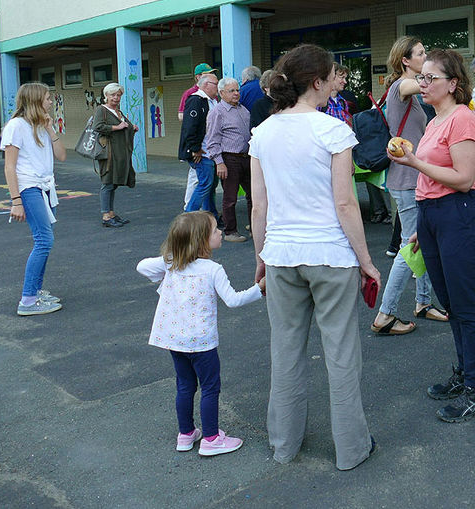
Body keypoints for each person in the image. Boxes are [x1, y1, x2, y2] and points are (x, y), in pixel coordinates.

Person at [249, 43, 380, 470]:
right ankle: (351, 450)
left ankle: (284, 445)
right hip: (330, 255)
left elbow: (259, 206)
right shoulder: (333, 131)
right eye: (331, 77)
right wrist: (366, 260)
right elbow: (345, 205)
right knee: (342, 355)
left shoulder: (263, 133)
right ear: (318, 82)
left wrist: (261, 257)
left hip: (282, 255)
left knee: (285, 353)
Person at [388, 49, 475, 421]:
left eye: (431, 79)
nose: (423, 84)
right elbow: (432, 180)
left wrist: (415, 162)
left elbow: (464, 179)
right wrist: (421, 230)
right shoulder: (435, 120)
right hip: (433, 217)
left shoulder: (463, 118)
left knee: (467, 304)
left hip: (458, 215)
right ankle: (466, 374)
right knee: (450, 303)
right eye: (423, 78)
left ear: (453, 84)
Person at [137, 211, 262, 456]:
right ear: (201, 240)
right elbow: (233, 301)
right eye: (215, 230)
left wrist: (168, 259)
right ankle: (212, 438)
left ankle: (185, 434)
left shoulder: (173, 263)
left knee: (184, 385)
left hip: (175, 340)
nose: (220, 233)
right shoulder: (212, 269)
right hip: (202, 343)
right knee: (210, 387)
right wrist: (260, 289)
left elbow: (142, 266)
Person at [371, 36, 446, 335]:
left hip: (414, 176)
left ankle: (423, 303)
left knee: (421, 240)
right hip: (405, 179)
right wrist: (440, 74)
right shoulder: (401, 87)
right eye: (421, 53)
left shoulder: (411, 94)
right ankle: (385, 313)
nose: (424, 57)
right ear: (405, 60)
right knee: (410, 244)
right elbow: (427, 84)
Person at [2, 82, 66, 316]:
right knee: (44, 241)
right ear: (36, 101)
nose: (51, 102)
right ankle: (28, 299)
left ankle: (35, 292)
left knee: (44, 242)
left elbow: (62, 156)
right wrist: (16, 200)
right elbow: (9, 167)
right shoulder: (16, 126)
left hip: (46, 187)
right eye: (48, 98)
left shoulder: (41, 125)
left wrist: (51, 130)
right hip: (29, 187)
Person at [206, 77, 252, 242]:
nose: (236, 94)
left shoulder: (243, 109)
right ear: (222, 93)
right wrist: (219, 162)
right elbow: (212, 140)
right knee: (230, 197)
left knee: (253, 195)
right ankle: (230, 232)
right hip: (229, 159)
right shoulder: (217, 112)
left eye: (237, 90)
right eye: (231, 91)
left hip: (246, 158)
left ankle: (255, 227)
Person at [92, 82, 137, 228]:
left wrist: (132, 128)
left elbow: (126, 125)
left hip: (120, 153)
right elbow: (97, 127)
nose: (116, 98)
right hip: (109, 153)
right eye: (113, 95)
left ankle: (111, 213)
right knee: (107, 183)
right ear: (106, 96)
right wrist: (116, 127)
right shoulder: (102, 110)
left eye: (118, 95)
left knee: (113, 184)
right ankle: (106, 215)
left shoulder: (118, 111)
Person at [179, 74, 219, 215]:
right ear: (206, 85)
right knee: (205, 184)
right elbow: (190, 126)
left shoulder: (212, 101)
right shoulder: (196, 100)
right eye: (215, 83)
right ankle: (190, 215)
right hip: (202, 152)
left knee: (209, 185)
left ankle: (211, 215)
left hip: (209, 151)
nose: (218, 86)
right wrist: (195, 149)